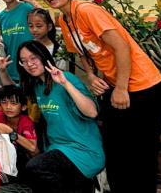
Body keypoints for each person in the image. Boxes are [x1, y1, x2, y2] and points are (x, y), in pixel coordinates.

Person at [27, 0, 161, 193]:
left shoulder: (87, 10)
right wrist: (91, 75)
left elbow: (122, 47)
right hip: (115, 85)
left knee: (141, 153)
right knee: (115, 148)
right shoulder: (64, 18)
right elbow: (83, 52)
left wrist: (120, 89)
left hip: (142, 86)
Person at [17, 41, 104, 193]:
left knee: (36, 167)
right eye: (24, 61)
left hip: (82, 150)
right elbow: (13, 95)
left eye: (33, 58)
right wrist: (3, 71)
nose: (29, 64)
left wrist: (65, 83)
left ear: (43, 56)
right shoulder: (36, 85)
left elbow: (92, 112)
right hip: (57, 150)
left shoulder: (66, 78)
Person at [0, 84, 38, 171]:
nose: (8, 107)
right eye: (4, 102)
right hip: (2, 155)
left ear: (23, 107)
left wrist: (10, 132)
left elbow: (32, 148)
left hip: (21, 156)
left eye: (13, 103)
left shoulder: (26, 121)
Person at [0, 0, 33, 83]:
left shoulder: (27, 8)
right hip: (11, 67)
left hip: (30, 65)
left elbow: (46, 19)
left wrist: (32, 1)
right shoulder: (1, 16)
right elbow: (7, 38)